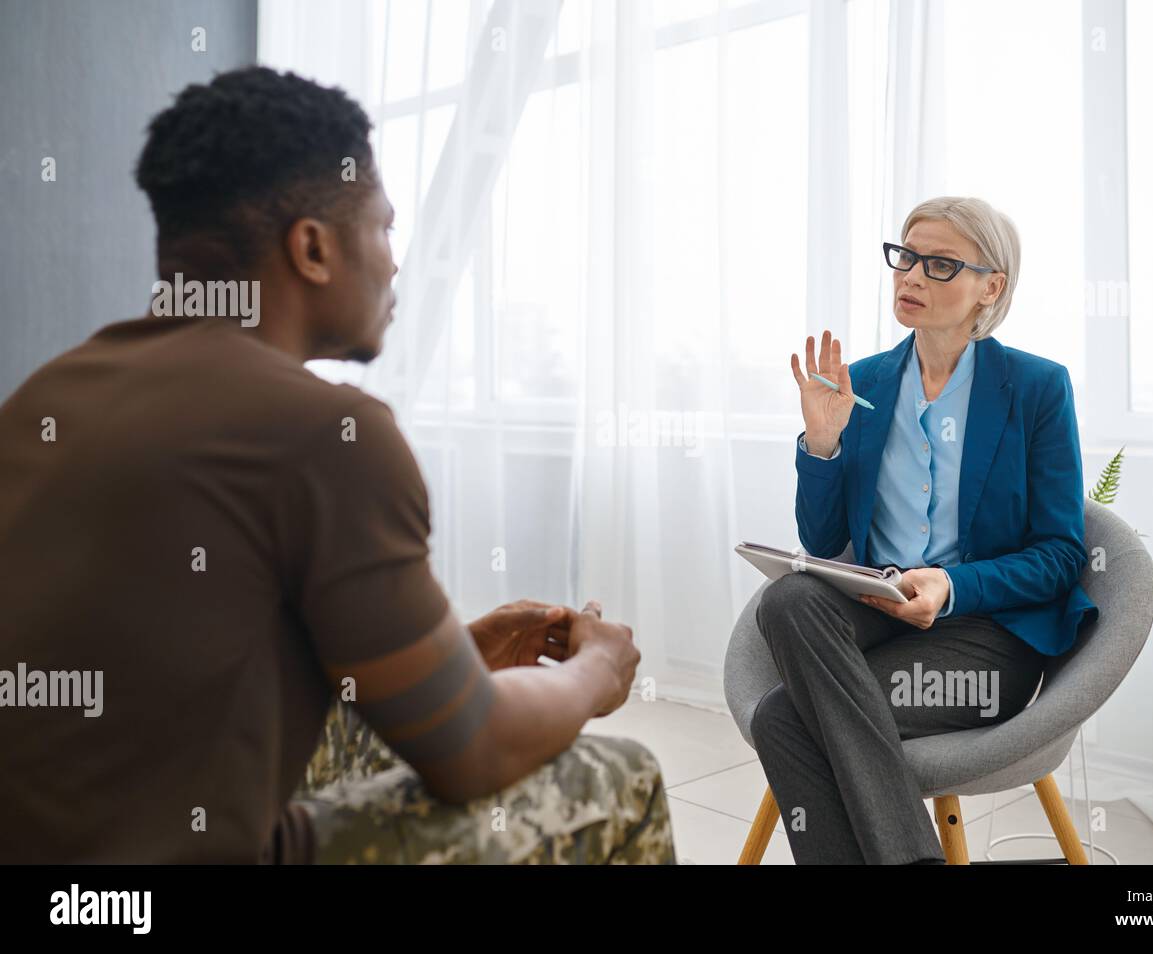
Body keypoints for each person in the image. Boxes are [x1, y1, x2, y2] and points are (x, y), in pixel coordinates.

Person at [0, 66, 674, 865]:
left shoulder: (48, 394)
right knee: (623, 776)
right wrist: (597, 669)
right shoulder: (328, 432)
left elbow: (192, 663)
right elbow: (472, 752)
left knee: (377, 719)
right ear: (313, 247)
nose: (395, 264)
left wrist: (452, 654)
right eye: (385, 229)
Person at [753, 196, 1099, 864]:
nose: (911, 276)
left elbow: (1060, 554)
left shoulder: (1036, 388)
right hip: (879, 608)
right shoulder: (868, 382)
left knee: (782, 718)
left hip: (990, 636)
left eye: (939, 265)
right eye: (905, 257)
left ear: (989, 287)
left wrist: (952, 584)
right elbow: (823, 543)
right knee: (786, 598)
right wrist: (822, 445)